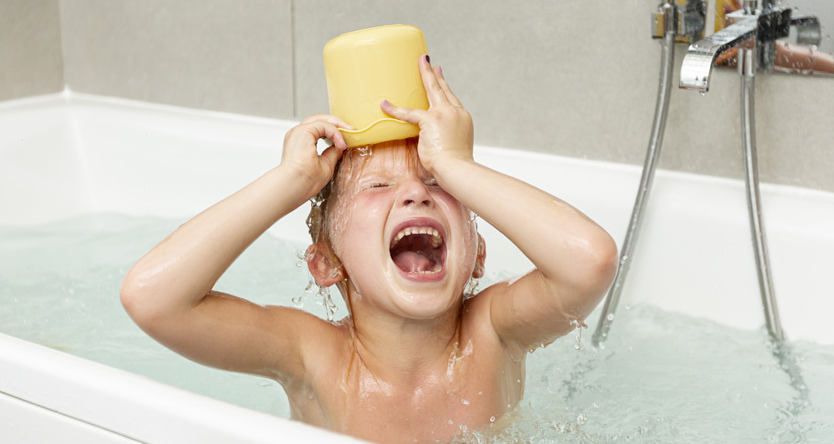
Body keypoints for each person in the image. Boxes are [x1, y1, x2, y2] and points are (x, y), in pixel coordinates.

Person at [120, 54, 617, 443]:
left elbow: (589, 260)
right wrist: (290, 180)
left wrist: (459, 164)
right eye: (377, 187)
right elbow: (151, 297)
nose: (415, 192)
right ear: (328, 263)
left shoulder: (493, 332)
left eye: (436, 182)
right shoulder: (313, 357)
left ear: (477, 256)